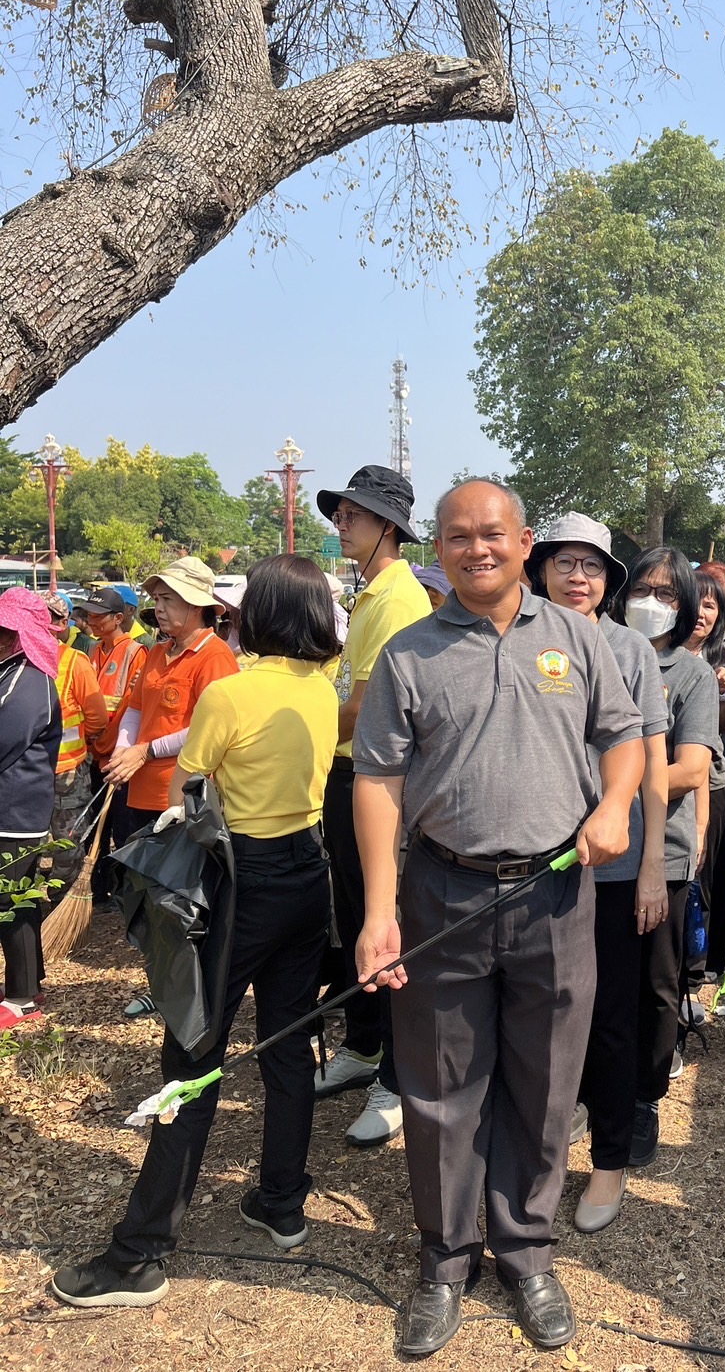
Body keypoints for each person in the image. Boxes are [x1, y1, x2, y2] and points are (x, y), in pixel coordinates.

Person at [351, 479, 643, 1356]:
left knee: (546, 1080)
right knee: (441, 1087)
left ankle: (525, 1248)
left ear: (525, 545)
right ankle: (446, 1258)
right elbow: (376, 782)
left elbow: (622, 737)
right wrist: (376, 910)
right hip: (442, 890)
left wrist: (617, 802)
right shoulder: (408, 655)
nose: (475, 549)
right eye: (456, 537)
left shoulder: (576, 639)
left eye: (492, 534)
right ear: (435, 549)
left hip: (555, 891)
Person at [52, 555, 343, 1308]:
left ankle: (139, 1252)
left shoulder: (234, 692)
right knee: (284, 1046)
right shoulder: (323, 688)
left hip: (239, 880)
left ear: (259, 614)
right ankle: (282, 1200)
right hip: (309, 876)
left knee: (191, 1051)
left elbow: (194, 788)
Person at [524, 512, 669, 1234]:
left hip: (608, 871)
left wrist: (651, 867)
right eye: (564, 562)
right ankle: (540, 1155)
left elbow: (650, 768)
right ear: (540, 567)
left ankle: (609, 1163)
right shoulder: (515, 641)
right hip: (526, 866)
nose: (577, 577)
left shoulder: (629, 650)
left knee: (611, 1019)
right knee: (541, 1018)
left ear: (610, 581)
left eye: (592, 566)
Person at [313, 465, 431, 1149]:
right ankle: (362, 1042)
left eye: (354, 513)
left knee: (386, 927)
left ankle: (395, 1069)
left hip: (378, 778)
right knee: (358, 915)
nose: (342, 522)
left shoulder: (397, 599)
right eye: (340, 512)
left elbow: (368, 704)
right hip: (348, 772)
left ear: (389, 525)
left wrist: (307, 735)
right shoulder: (370, 594)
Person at [609, 546, 718, 1168]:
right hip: (591, 847)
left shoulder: (690, 674)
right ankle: (596, 1089)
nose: (653, 603)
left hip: (662, 850)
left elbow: (693, 766)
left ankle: (645, 1097)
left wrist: (609, 786)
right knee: (596, 981)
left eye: (668, 594)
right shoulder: (599, 651)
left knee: (655, 983)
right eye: (643, 589)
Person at [105, 558, 240, 835]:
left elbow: (209, 731)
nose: (159, 608)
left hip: (182, 797)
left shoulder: (216, 656)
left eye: (168, 599)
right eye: (156, 599)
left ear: (195, 605)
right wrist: (123, 749)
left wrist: (144, 751)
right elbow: (136, 709)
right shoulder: (157, 651)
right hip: (140, 786)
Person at [0, 590, 61, 1029]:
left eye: (5, 631)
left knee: (12, 898)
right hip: (12, 805)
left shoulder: (29, 678)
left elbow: (4, 739)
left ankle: (22, 995)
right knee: (14, 898)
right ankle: (26, 982)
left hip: (15, 810)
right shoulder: (12, 670)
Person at [682, 566, 725, 990]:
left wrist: (719, 693)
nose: (700, 614)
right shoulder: (652, 648)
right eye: (694, 602)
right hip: (667, 777)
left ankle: (703, 967)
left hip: (714, 781)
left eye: (710, 605)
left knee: (709, 873)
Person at [74, 588, 149, 904]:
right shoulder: (91, 653)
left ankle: (126, 893)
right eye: (88, 614)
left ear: (119, 618)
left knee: (124, 828)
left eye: (97, 615)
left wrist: (110, 749)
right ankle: (99, 890)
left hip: (116, 757)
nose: (90, 619)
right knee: (94, 832)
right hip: (92, 753)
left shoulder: (135, 654)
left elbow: (130, 709)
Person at [38, 592, 107, 898]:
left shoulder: (74, 663)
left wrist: (77, 747)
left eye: (48, 619)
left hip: (66, 775)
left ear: (62, 623)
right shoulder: (18, 660)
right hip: (33, 774)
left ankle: (64, 907)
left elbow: (97, 718)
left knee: (68, 845)